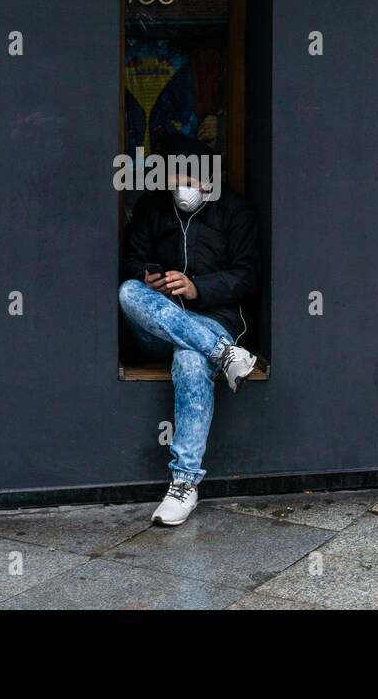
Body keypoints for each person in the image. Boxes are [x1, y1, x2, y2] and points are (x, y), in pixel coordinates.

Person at [118, 134, 261, 526]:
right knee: (128, 292)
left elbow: (247, 276)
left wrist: (199, 288)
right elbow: (132, 262)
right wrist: (149, 279)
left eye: (190, 178)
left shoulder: (235, 211)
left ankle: (184, 484)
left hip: (213, 321)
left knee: (190, 360)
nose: (182, 187)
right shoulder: (152, 208)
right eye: (174, 177)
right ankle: (224, 354)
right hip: (157, 324)